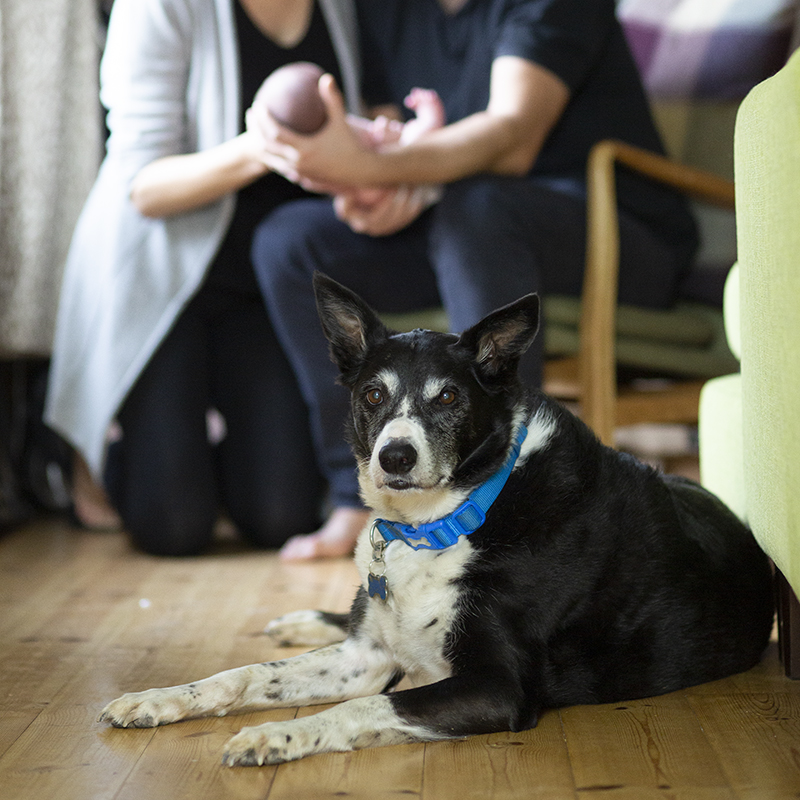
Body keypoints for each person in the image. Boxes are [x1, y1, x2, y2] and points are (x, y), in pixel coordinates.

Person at [246, 0, 700, 558]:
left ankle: (509, 502)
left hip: (618, 233)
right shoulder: (382, 11)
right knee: (291, 242)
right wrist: (383, 190)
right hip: (462, 219)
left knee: (478, 209)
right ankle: (354, 494)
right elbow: (397, 134)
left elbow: (513, 137)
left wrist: (371, 170)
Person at [44, 0, 372, 557]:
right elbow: (142, 186)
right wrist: (262, 148)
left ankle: (204, 448)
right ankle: (95, 450)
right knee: (172, 528)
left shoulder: (342, 8)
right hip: (162, 286)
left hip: (265, 292)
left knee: (280, 518)